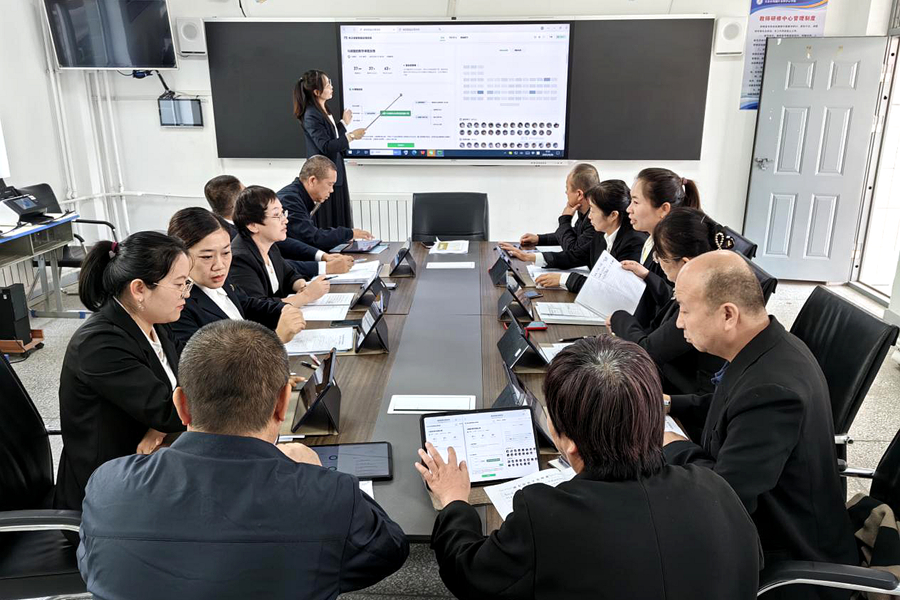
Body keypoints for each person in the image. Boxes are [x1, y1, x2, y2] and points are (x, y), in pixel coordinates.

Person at [78, 320, 409, 599]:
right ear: (282, 404)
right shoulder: (327, 495)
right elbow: (389, 551)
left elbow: (93, 567)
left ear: (181, 405)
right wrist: (314, 476)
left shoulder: (108, 484)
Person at [418, 336, 761, 600]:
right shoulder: (717, 490)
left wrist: (454, 502)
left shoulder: (544, 517)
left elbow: (469, 574)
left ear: (567, 441)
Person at [664, 251, 858, 600]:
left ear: (728, 315)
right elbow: (729, 409)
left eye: (685, 310)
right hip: (765, 523)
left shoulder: (772, 391)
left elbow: (722, 498)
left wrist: (672, 445)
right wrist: (667, 404)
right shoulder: (766, 346)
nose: (679, 323)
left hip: (784, 560)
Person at [55, 232, 190, 518]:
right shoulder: (100, 344)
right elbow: (169, 411)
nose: (186, 293)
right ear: (139, 289)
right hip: (108, 493)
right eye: (179, 284)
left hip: (148, 461)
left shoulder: (155, 321)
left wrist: (161, 425)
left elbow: (187, 374)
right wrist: (164, 420)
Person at [609, 207, 726, 396]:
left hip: (679, 395)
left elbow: (647, 350)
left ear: (685, 264)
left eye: (660, 257)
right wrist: (647, 275)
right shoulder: (708, 281)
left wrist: (618, 317)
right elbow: (669, 304)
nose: (658, 263)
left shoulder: (701, 304)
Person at [166, 207, 306, 348]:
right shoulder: (177, 306)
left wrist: (284, 310)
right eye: (207, 257)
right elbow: (206, 359)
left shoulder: (219, 279)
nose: (219, 265)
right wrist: (277, 338)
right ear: (180, 256)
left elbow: (246, 304)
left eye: (226, 252)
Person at [206, 174, 351, 277]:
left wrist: (321, 256)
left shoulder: (244, 228)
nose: (284, 220)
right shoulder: (227, 238)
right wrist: (324, 267)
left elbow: (284, 246)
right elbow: (277, 267)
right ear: (239, 202)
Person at [518, 180, 646, 292]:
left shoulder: (634, 242)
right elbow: (575, 256)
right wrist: (530, 257)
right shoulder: (601, 233)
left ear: (613, 215)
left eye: (593, 210)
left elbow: (611, 288)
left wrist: (564, 279)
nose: (589, 216)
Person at [622, 167, 701, 326]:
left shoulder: (674, 252)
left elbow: (673, 304)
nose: (628, 209)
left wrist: (647, 276)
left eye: (636, 202)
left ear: (664, 209)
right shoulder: (650, 240)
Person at [229, 185, 330, 306]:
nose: (285, 220)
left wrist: (302, 286)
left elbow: (290, 275)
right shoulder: (240, 258)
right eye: (277, 215)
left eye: (283, 213)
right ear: (252, 225)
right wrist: (307, 296)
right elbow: (258, 306)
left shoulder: (270, 246)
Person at [294, 70, 365, 229]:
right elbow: (326, 146)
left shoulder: (323, 109)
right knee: (329, 221)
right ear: (317, 92)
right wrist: (351, 136)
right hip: (322, 176)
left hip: (333, 172)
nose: (331, 87)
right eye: (327, 85)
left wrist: (343, 124)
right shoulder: (311, 115)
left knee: (339, 218)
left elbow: (331, 137)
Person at [277, 154, 372, 253]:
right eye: (330, 184)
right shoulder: (290, 200)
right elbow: (312, 238)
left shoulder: (301, 196)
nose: (331, 190)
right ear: (312, 181)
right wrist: (349, 233)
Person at [510, 163, 600, 262]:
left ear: (579, 194)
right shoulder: (585, 213)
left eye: (567, 188)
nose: (566, 192)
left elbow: (573, 252)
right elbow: (573, 235)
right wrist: (539, 239)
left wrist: (565, 219)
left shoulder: (595, 219)